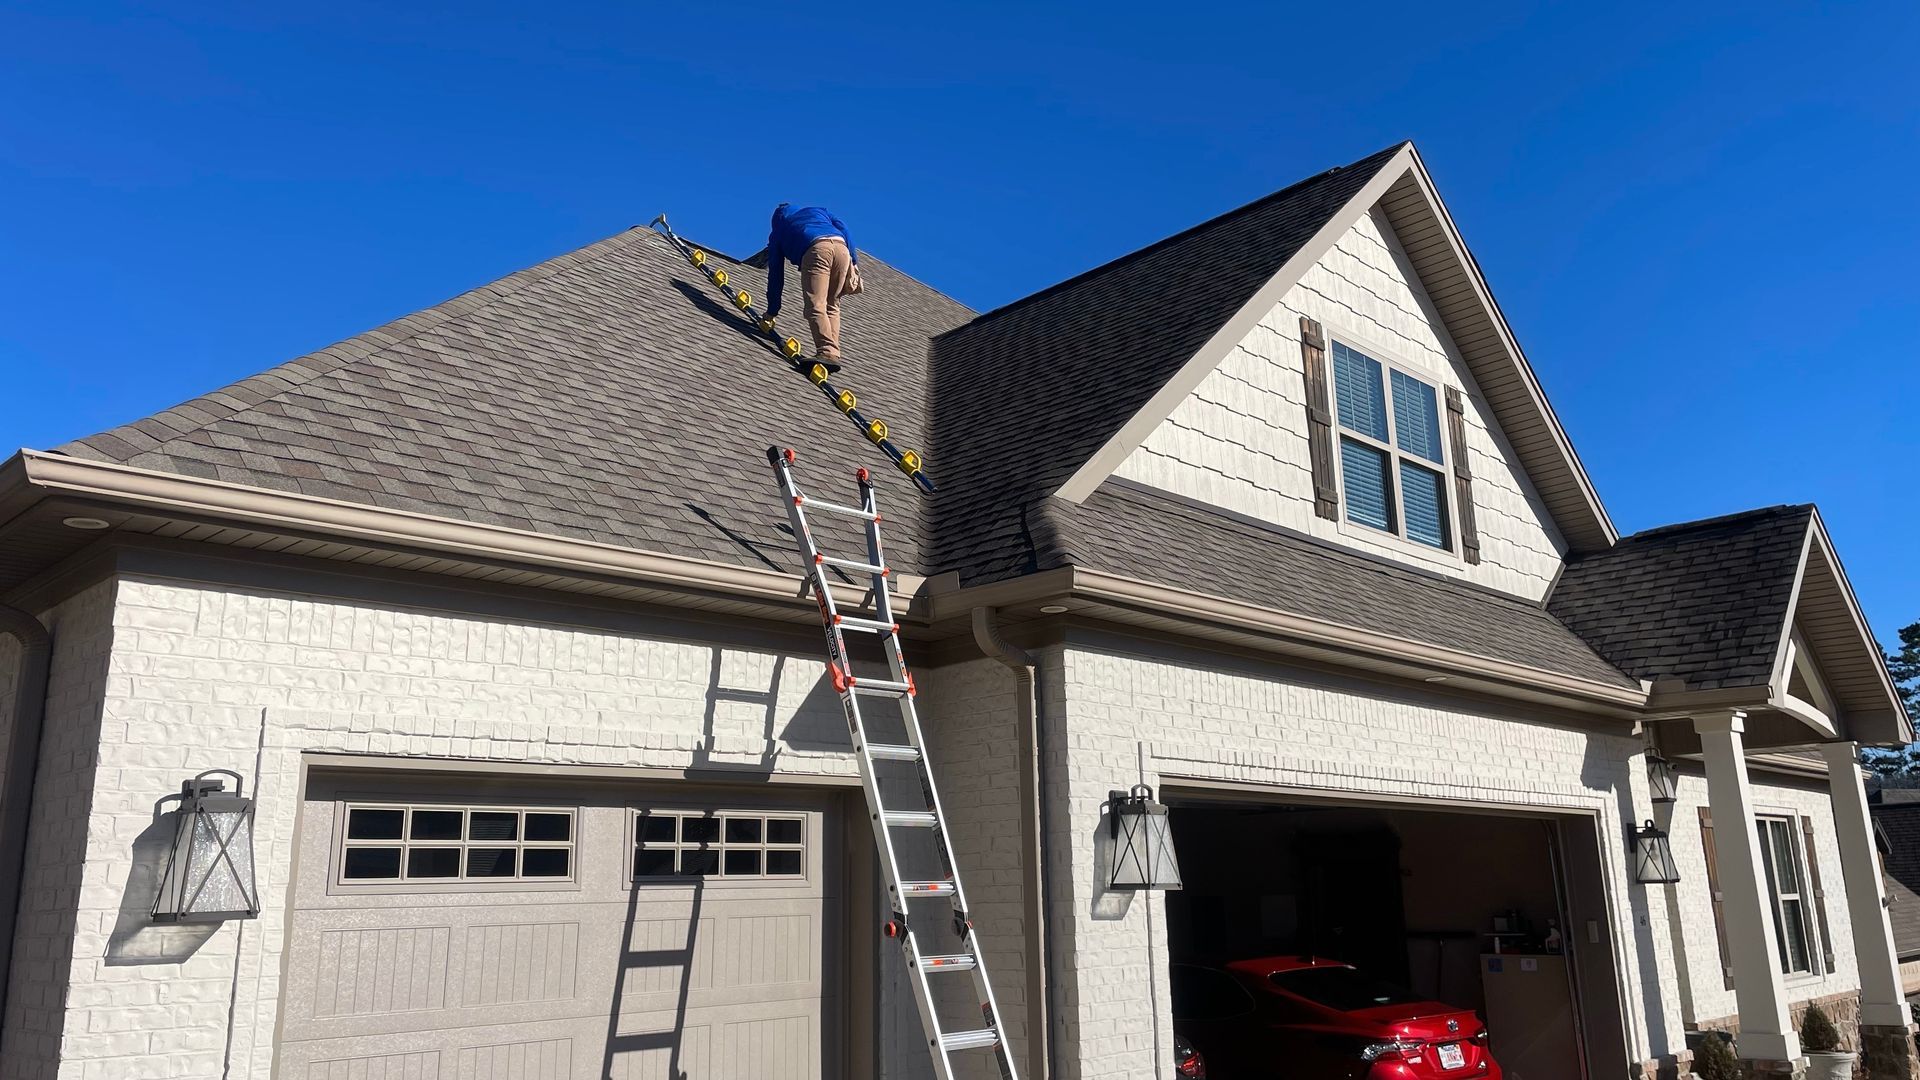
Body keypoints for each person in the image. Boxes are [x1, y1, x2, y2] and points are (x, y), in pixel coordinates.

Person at [764, 203, 860, 371]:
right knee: (832, 305)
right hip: (841, 249)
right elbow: (843, 227)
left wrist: (772, 310)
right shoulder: (818, 212)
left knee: (815, 305)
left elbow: (776, 275)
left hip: (817, 249)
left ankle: (826, 352)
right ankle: (833, 352)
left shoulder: (779, 230)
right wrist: (853, 260)